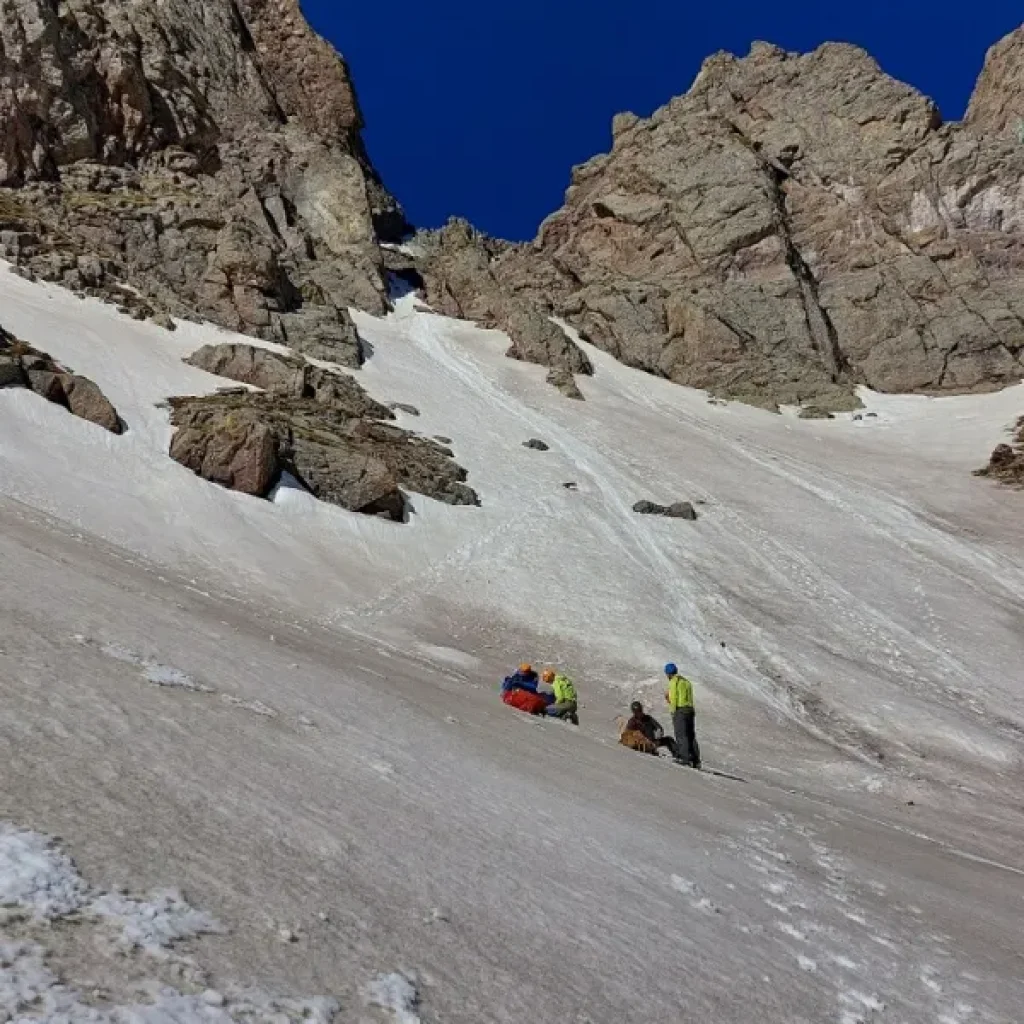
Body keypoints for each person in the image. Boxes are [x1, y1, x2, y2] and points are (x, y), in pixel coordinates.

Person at [664, 663, 701, 768]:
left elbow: (674, 697)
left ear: (668, 673)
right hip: (690, 710)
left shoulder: (673, 682)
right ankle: (696, 760)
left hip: (680, 710)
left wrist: (673, 710)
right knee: (691, 736)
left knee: (681, 735)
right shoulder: (686, 681)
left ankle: (684, 758)